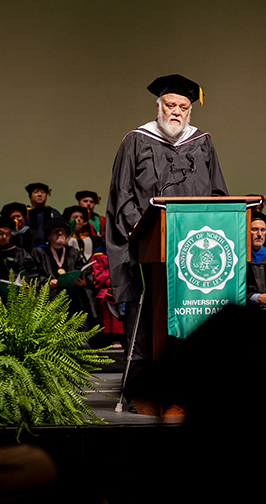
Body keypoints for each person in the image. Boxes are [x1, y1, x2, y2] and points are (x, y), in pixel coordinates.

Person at [105, 74, 227, 371]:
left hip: (194, 250)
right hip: (151, 247)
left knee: (193, 312)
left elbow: (217, 193)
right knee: (147, 311)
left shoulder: (203, 143)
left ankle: (192, 382)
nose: (176, 112)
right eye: (170, 105)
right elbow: (123, 194)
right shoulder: (136, 141)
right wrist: (146, 230)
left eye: (183, 107)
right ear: (159, 107)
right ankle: (143, 387)